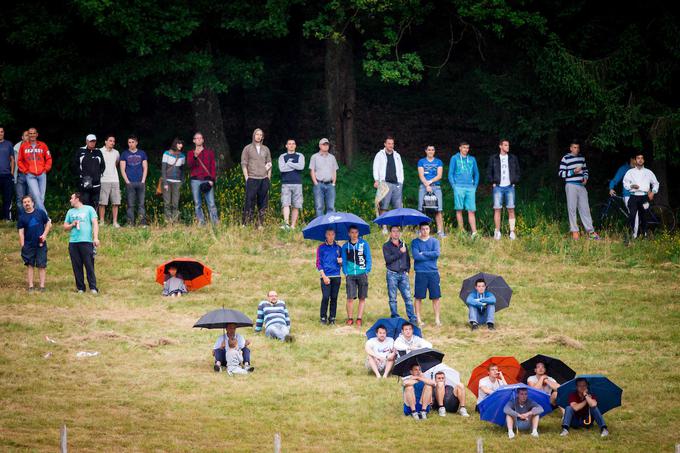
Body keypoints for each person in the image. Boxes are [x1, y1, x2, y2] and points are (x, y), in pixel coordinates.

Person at [558, 140, 599, 240]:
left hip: (581, 186)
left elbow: (585, 171)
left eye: (578, 147)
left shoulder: (581, 158)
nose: (577, 149)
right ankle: (575, 231)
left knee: (585, 208)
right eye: (575, 147)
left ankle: (591, 232)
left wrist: (585, 178)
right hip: (570, 185)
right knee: (572, 209)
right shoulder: (565, 158)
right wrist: (573, 171)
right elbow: (561, 173)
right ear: (571, 148)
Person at [63, 192, 99, 294]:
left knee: (89, 265)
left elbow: (95, 224)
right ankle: (80, 288)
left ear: (77, 199)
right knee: (76, 266)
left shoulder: (89, 209)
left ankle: (93, 287)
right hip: (73, 242)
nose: (70, 200)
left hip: (86, 242)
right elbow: (65, 227)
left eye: (72, 198)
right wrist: (72, 225)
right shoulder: (70, 212)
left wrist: (95, 238)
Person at [382, 225, 416, 324]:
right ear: (390, 233)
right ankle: (395, 317)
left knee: (408, 297)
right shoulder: (386, 246)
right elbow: (388, 260)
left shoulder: (403, 244)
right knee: (393, 298)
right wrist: (400, 252)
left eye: (397, 231)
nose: (396, 233)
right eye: (393, 231)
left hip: (403, 274)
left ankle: (412, 318)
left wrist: (407, 269)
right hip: (392, 274)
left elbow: (407, 258)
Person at [17, 195, 51, 291]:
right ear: (23, 205)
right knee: (30, 266)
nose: (27, 203)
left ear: (32, 203)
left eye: (28, 201)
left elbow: (48, 224)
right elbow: (21, 233)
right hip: (28, 245)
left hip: (41, 244)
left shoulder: (40, 213)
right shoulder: (22, 217)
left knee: (41, 265)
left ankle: (42, 286)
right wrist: (23, 245)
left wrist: (44, 235)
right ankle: (31, 286)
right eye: (24, 202)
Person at [488, 139, 520, 240]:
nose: (507, 147)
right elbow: (489, 171)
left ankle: (512, 232)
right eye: (505, 145)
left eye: (508, 145)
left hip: (510, 187)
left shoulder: (513, 158)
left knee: (511, 209)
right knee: (497, 209)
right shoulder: (494, 158)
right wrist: (492, 182)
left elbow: (518, 171)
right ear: (500, 146)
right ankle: (497, 232)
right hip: (498, 187)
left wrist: (514, 181)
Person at [411, 222, 441, 327]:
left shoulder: (435, 241)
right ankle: (418, 319)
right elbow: (416, 256)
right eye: (423, 229)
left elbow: (436, 254)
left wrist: (423, 253)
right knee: (418, 297)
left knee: (436, 296)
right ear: (420, 230)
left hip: (433, 272)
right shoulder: (415, 242)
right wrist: (429, 255)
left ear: (429, 230)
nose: (425, 231)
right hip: (420, 272)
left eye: (427, 229)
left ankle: (437, 319)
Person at [623, 153, 659, 239]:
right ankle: (629, 236)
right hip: (633, 197)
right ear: (635, 160)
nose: (640, 160)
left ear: (644, 160)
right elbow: (625, 183)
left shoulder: (648, 172)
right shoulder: (630, 172)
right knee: (632, 215)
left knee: (644, 216)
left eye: (642, 158)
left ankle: (644, 235)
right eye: (638, 158)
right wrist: (631, 186)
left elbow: (656, 183)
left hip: (644, 198)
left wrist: (653, 192)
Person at [342, 225, 372, 327]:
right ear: (349, 234)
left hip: (362, 274)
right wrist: (345, 272)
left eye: (356, 232)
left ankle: (359, 318)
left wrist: (367, 270)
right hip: (350, 275)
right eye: (352, 232)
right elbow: (344, 261)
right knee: (350, 298)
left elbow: (368, 258)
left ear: (358, 233)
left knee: (362, 297)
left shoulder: (364, 244)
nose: (354, 235)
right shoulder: (345, 246)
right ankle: (350, 318)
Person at [241, 128, 271, 228]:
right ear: (254, 135)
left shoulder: (266, 149)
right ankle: (246, 223)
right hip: (252, 178)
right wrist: (247, 178)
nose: (258, 136)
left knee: (263, 203)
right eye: (257, 134)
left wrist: (268, 178)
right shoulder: (247, 148)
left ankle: (260, 224)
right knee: (249, 201)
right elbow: (244, 164)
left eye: (260, 134)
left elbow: (269, 164)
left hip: (264, 179)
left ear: (262, 137)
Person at [373, 136, 404, 233]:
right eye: (389, 143)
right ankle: (384, 228)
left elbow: (400, 169)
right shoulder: (379, 155)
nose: (391, 145)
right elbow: (375, 168)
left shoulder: (397, 155)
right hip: (385, 184)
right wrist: (376, 180)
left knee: (398, 207)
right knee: (384, 206)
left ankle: (396, 228)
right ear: (385, 144)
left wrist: (401, 181)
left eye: (392, 144)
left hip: (397, 184)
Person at [187, 132, 219, 225]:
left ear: (203, 140)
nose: (199, 139)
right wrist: (195, 157)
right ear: (194, 140)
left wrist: (212, 180)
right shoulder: (190, 153)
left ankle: (215, 223)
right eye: (197, 138)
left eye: (200, 138)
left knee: (211, 203)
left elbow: (213, 167)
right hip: (195, 180)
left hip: (207, 179)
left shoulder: (209, 153)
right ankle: (201, 222)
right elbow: (189, 165)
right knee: (197, 203)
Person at [448, 141, 479, 236]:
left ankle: (474, 233)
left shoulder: (472, 159)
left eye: (467, 148)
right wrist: (454, 186)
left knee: (471, 210)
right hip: (459, 187)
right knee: (459, 209)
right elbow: (450, 173)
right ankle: (461, 231)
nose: (466, 149)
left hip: (470, 188)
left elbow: (476, 173)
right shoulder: (454, 158)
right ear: (460, 148)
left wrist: (475, 186)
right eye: (464, 147)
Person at [18, 128, 52, 213]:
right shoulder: (23, 146)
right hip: (30, 175)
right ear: (28, 135)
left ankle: (37, 216)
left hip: (42, 174)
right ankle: (45, 217)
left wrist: (46, 168)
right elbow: (19, 160)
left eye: (34, 133)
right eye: (30, 133)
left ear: (37, 134)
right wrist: (25, 171)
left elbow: (48, 158)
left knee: (41, 197)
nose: (32, 135)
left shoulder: (43, 145)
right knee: (36, 195)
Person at [120, 135, 148, 226]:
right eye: (129, 142)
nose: (131, 144)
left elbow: (145, 167)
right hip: (130, 182)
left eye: (132, 142)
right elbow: (122, 169)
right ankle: (130, 223)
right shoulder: (124, 154)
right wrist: (127, 181)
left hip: (140, 182)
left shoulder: (142, 153)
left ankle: (142, 223)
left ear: (136, 143)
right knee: (130, 205)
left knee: (141, 204)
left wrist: (143, 180)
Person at [417, 145, 445, 237]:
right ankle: (420, 231)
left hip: (436, 187)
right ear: (426, 151)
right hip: (423, 187)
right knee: (421, 210)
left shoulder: (438, 161)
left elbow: (439, 175)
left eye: (432, 150)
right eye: (429, 150)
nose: (431, 151)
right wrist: (426, 185)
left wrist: (430, 182)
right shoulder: (421, 161)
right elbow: (421, 175)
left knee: (438, 210)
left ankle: (440, 232)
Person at [316, 229, 342, 325]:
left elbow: (342, 264)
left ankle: (332, 318)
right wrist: (324, 276)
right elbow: (318, 263)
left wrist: (341, 262)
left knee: (334, 298)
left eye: (332, 234)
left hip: (336, 276)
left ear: (335, 235)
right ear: (326, 236)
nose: (331, 236)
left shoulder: (339, 248)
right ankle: (323, 317)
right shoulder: (321, 247)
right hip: (326, 275)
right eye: (329, 234)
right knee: (326, 297)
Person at [278, 139, 305, 230]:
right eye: (289, 144)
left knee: (296, 205)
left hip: (297, 183)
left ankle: (293, 226)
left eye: (293, 144)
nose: (291, 145)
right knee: (285, 204)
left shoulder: (300, 155)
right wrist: (294, 165)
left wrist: (289, 163)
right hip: (286, 183)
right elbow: (282, 169)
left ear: (295, 145)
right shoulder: (282, 156)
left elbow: (301, 167)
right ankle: (286, 224)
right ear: (286, 146)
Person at [309, 138, 338, 217]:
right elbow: (312, 170)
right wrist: (315, 183)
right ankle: (320, 226)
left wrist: (334, 183)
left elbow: (334, 170)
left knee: (331, 207)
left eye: (327, 144)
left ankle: (330, 226)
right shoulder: (314, 157)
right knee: (319, 207)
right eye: (324, 144)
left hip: (330, 185)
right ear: (320, 146)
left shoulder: (332, 157)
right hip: (319, 184)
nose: (326, 146)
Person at [75, 134, 106, 209]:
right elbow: (75, 165)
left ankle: (94, 220)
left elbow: (103, 165)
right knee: (85, 202)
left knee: (95, 203)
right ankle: (85, 220)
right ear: (86, 141)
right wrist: (81, 175)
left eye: (94, 141)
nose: (92, 143)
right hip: (85, 182)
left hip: (96, 183)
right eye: (91, 141)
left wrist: (99, 175)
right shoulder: (80, 151)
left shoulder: (98, 151)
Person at [608, 154, 636, 236]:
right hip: (628, 195)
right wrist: (611, 188)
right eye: (636, 159)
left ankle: (635, 234)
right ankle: (634, 235)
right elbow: (615, 179)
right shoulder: (624, 169)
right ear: (631, 159)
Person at [161, 138, 186, 224]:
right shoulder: (166, 153)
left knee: (175, 203)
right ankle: (168, 221)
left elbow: (182, 170)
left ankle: (175, 221)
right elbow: (163, 169)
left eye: (182, 144)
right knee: (167, 202)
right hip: (167, 181)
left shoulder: (182, 156)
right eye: (179, 144)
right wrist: (164, 182)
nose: (181, 146)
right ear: (175, 144)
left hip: (177, 182)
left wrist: (182, 181)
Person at [99, 135, 121, 227]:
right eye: (110, 141)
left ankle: (115, 222)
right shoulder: (100, 151)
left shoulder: (116, 152)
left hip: (115, 179)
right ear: (105, 141)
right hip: (104, 179)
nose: (112, 143)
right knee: (102, 202)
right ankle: (102, 222)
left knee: (116, 202)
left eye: (113, 141)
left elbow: (116, 163)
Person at [0, 127, 14, 220]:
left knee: (7, 198)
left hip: (7, 175)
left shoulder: (8, 144)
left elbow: (12, 159)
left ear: (4, 133)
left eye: (1, 132)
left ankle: (7, 219)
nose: (0, 133)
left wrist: (12, 172)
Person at [13, 130, 29, 217]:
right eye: (26, 135)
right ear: (22, 137)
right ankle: (22, 218)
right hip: (19, 175)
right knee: (20, 198)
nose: (28, 137)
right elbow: (13, 162)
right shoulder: (16, 148)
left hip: (31, 175)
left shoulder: (33, 147)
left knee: (31, 197)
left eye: (29, 135)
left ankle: (30, 217)